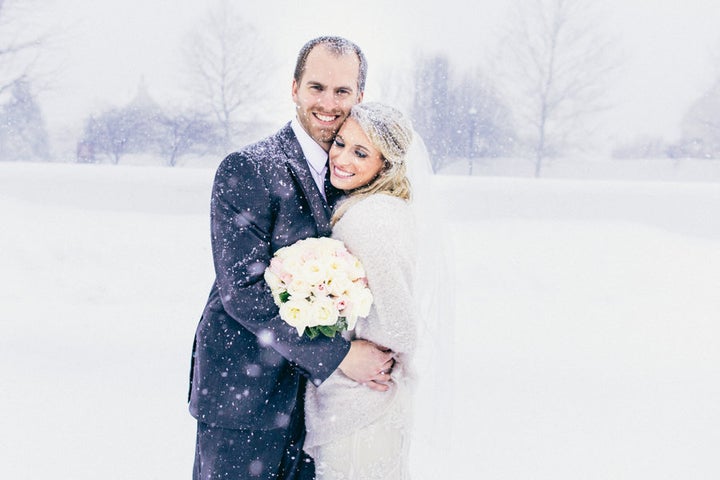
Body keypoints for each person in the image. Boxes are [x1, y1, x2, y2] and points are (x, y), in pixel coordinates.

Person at [188, 37, 395, 480]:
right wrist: (338, 356)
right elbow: (241, 290)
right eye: (316, 87)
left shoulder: (355, 172)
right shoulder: (248, 168)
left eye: (342, 91)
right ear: (295, 88)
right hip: (245, 393)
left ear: (360, 95)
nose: (328, 103)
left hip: (320, 406)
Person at [303, 102, 418, 479]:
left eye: (361, 152)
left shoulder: (373, 220)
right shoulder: (368, 207)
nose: (342, 158)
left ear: (385, 164)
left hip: (362, 407)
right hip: (355, 406)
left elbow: (398, 323)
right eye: (340, 143)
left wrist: (363, 357)